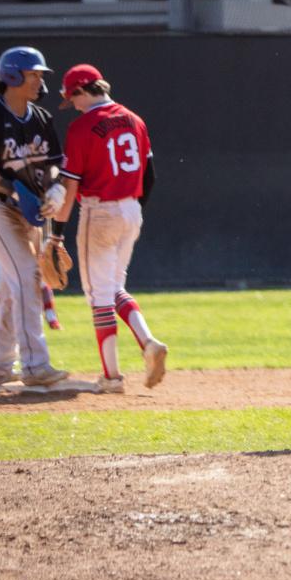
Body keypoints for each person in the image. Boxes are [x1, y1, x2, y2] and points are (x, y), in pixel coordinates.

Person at [51, 63, 168, 393]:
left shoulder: (81, 128)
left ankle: (112, 378)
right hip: (131, 210)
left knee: (99, 297)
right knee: (114, 287)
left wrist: (56, 233)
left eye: (72, 98)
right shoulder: (135, 120)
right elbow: (150, 177)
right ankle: (148, 341)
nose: (73, 105)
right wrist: (131, 209)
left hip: (99, 212)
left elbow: (70, 188)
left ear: (82, 91)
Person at [0, 47, 70, 392]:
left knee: (14, 291)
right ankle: (35, 365)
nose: (40, 80)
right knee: (28, 276)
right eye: (33, 74)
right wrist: (11, 190)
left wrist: (55, 188)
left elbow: (54, 163)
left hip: (32, 213)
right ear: (11, 76)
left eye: (40, 75)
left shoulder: (41, 118)